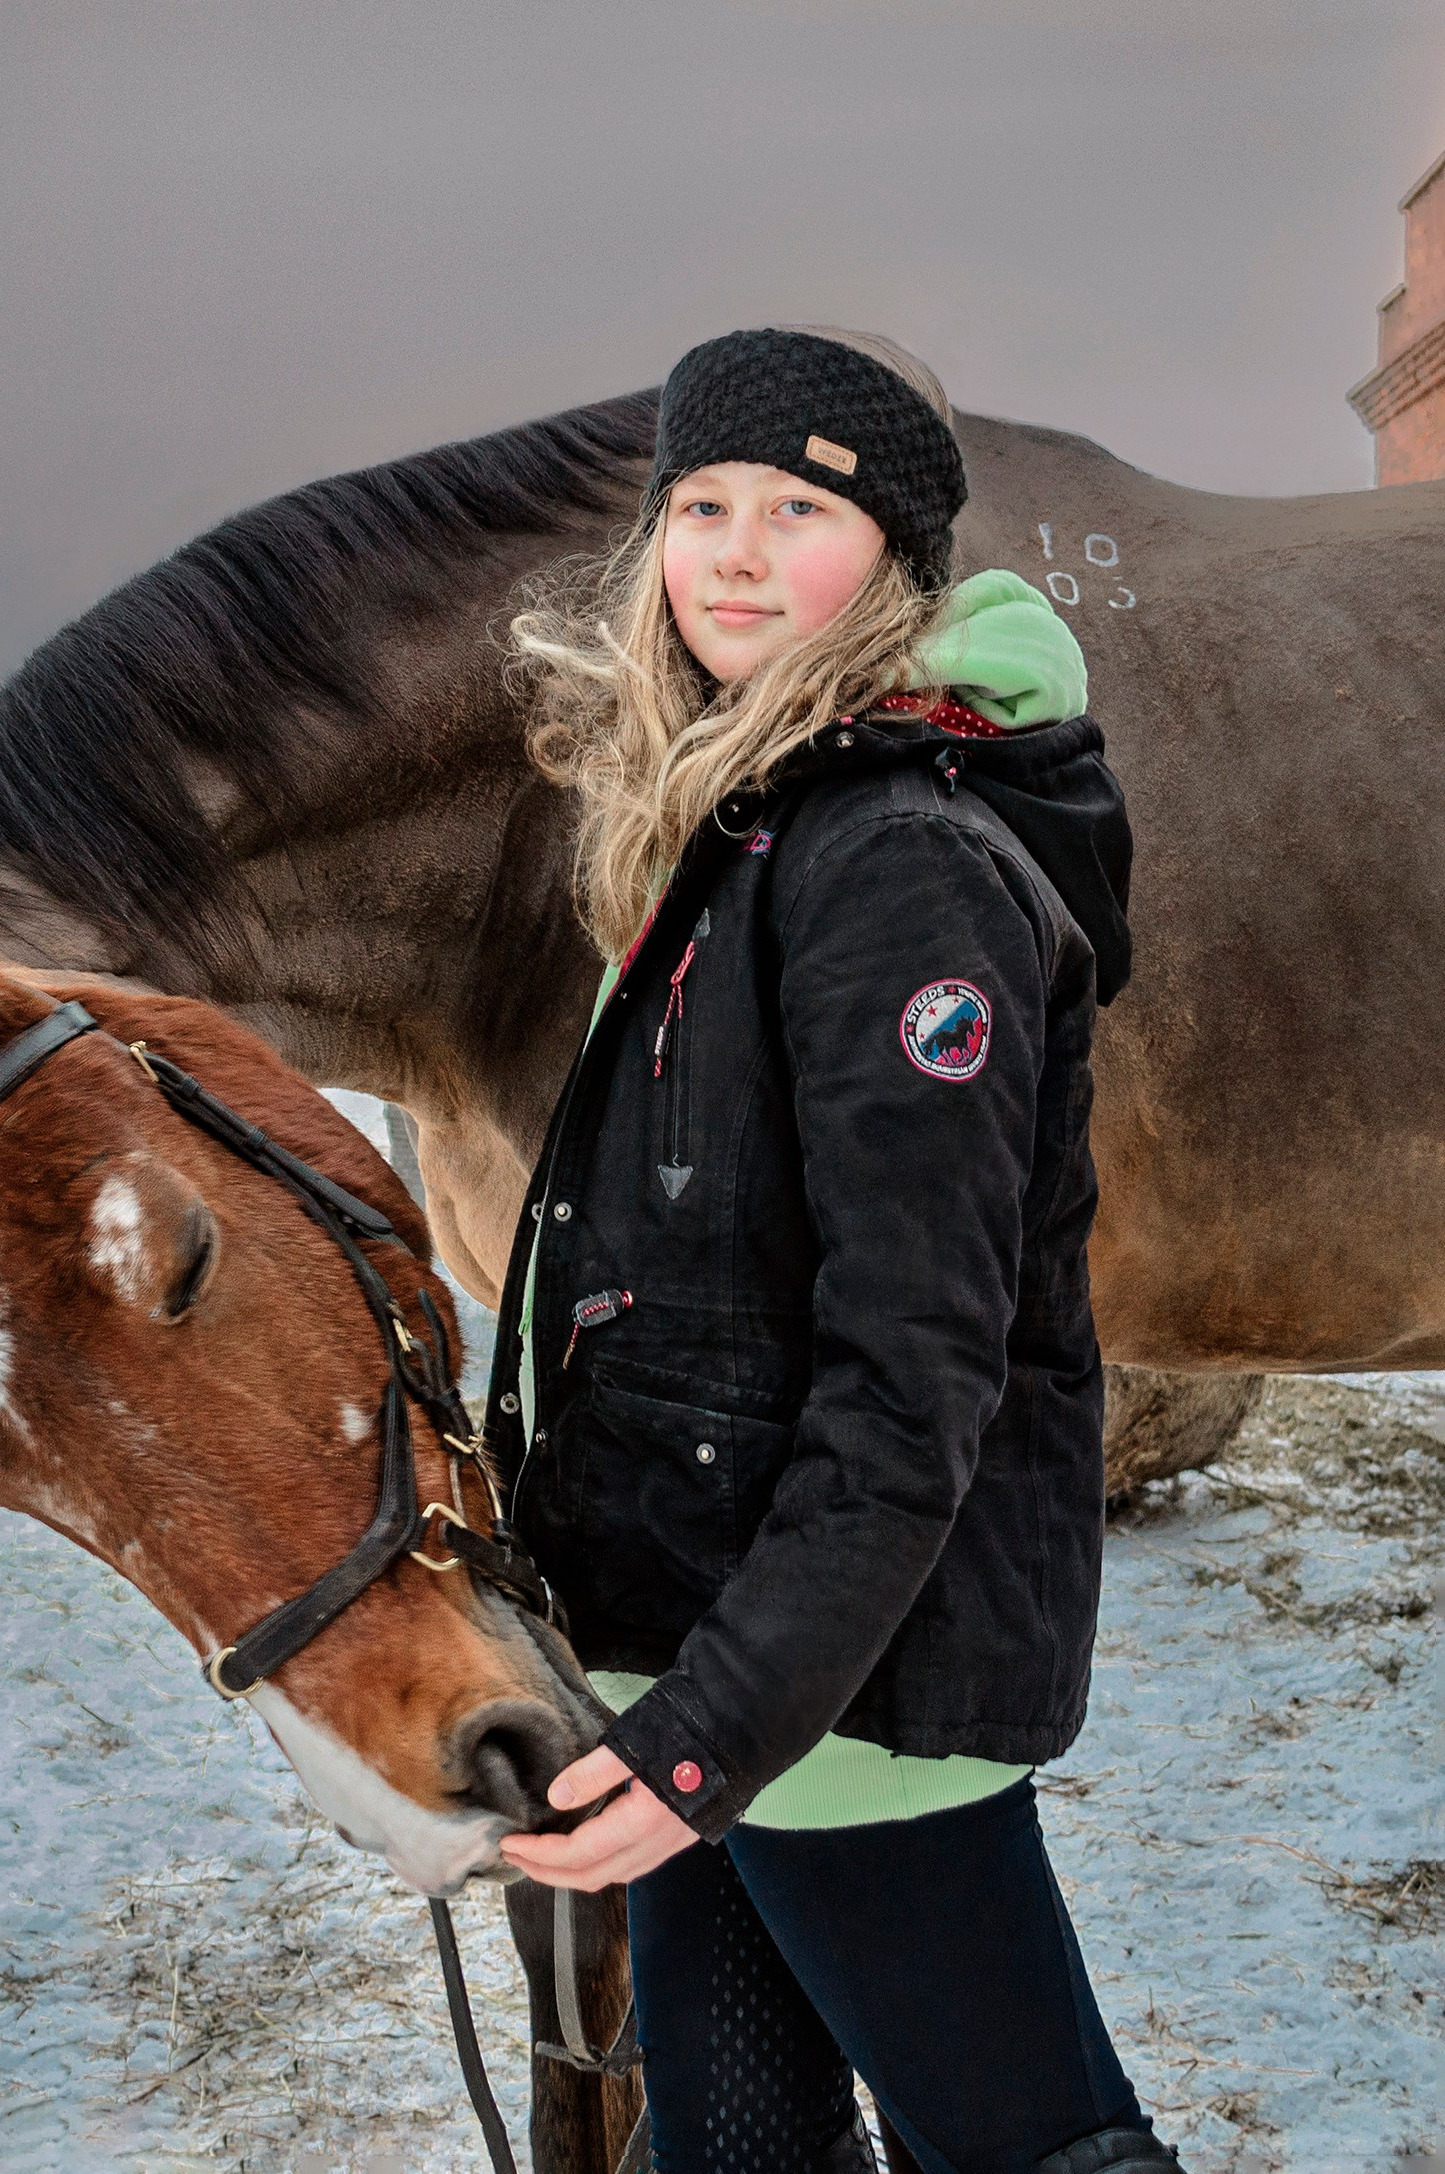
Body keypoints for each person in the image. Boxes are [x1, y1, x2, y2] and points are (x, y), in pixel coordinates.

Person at [486, 328, 1176, 2174]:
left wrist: (706, 1735)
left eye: (799, 508)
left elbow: (913, 1369)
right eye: (701, 502)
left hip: (842, 1694)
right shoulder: (740, 827)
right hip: (714, 1660)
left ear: (893, 558)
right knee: (738, 2155)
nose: (732, 548)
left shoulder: (895, 861)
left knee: (1029, 2149)